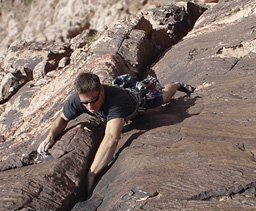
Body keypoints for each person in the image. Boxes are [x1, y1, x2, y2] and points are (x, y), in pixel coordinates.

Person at [38, 72, 195, 194]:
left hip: (138, 102)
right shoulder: (77, 100)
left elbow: (111, 139)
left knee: (164, 97)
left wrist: (92, 174)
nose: (90, 107)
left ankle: (176, 84)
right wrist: (50, 136)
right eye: (85, 103)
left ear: (102, 91)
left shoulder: (116, 101)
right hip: (117, 106)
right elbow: (62, 118)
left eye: (94, 100)